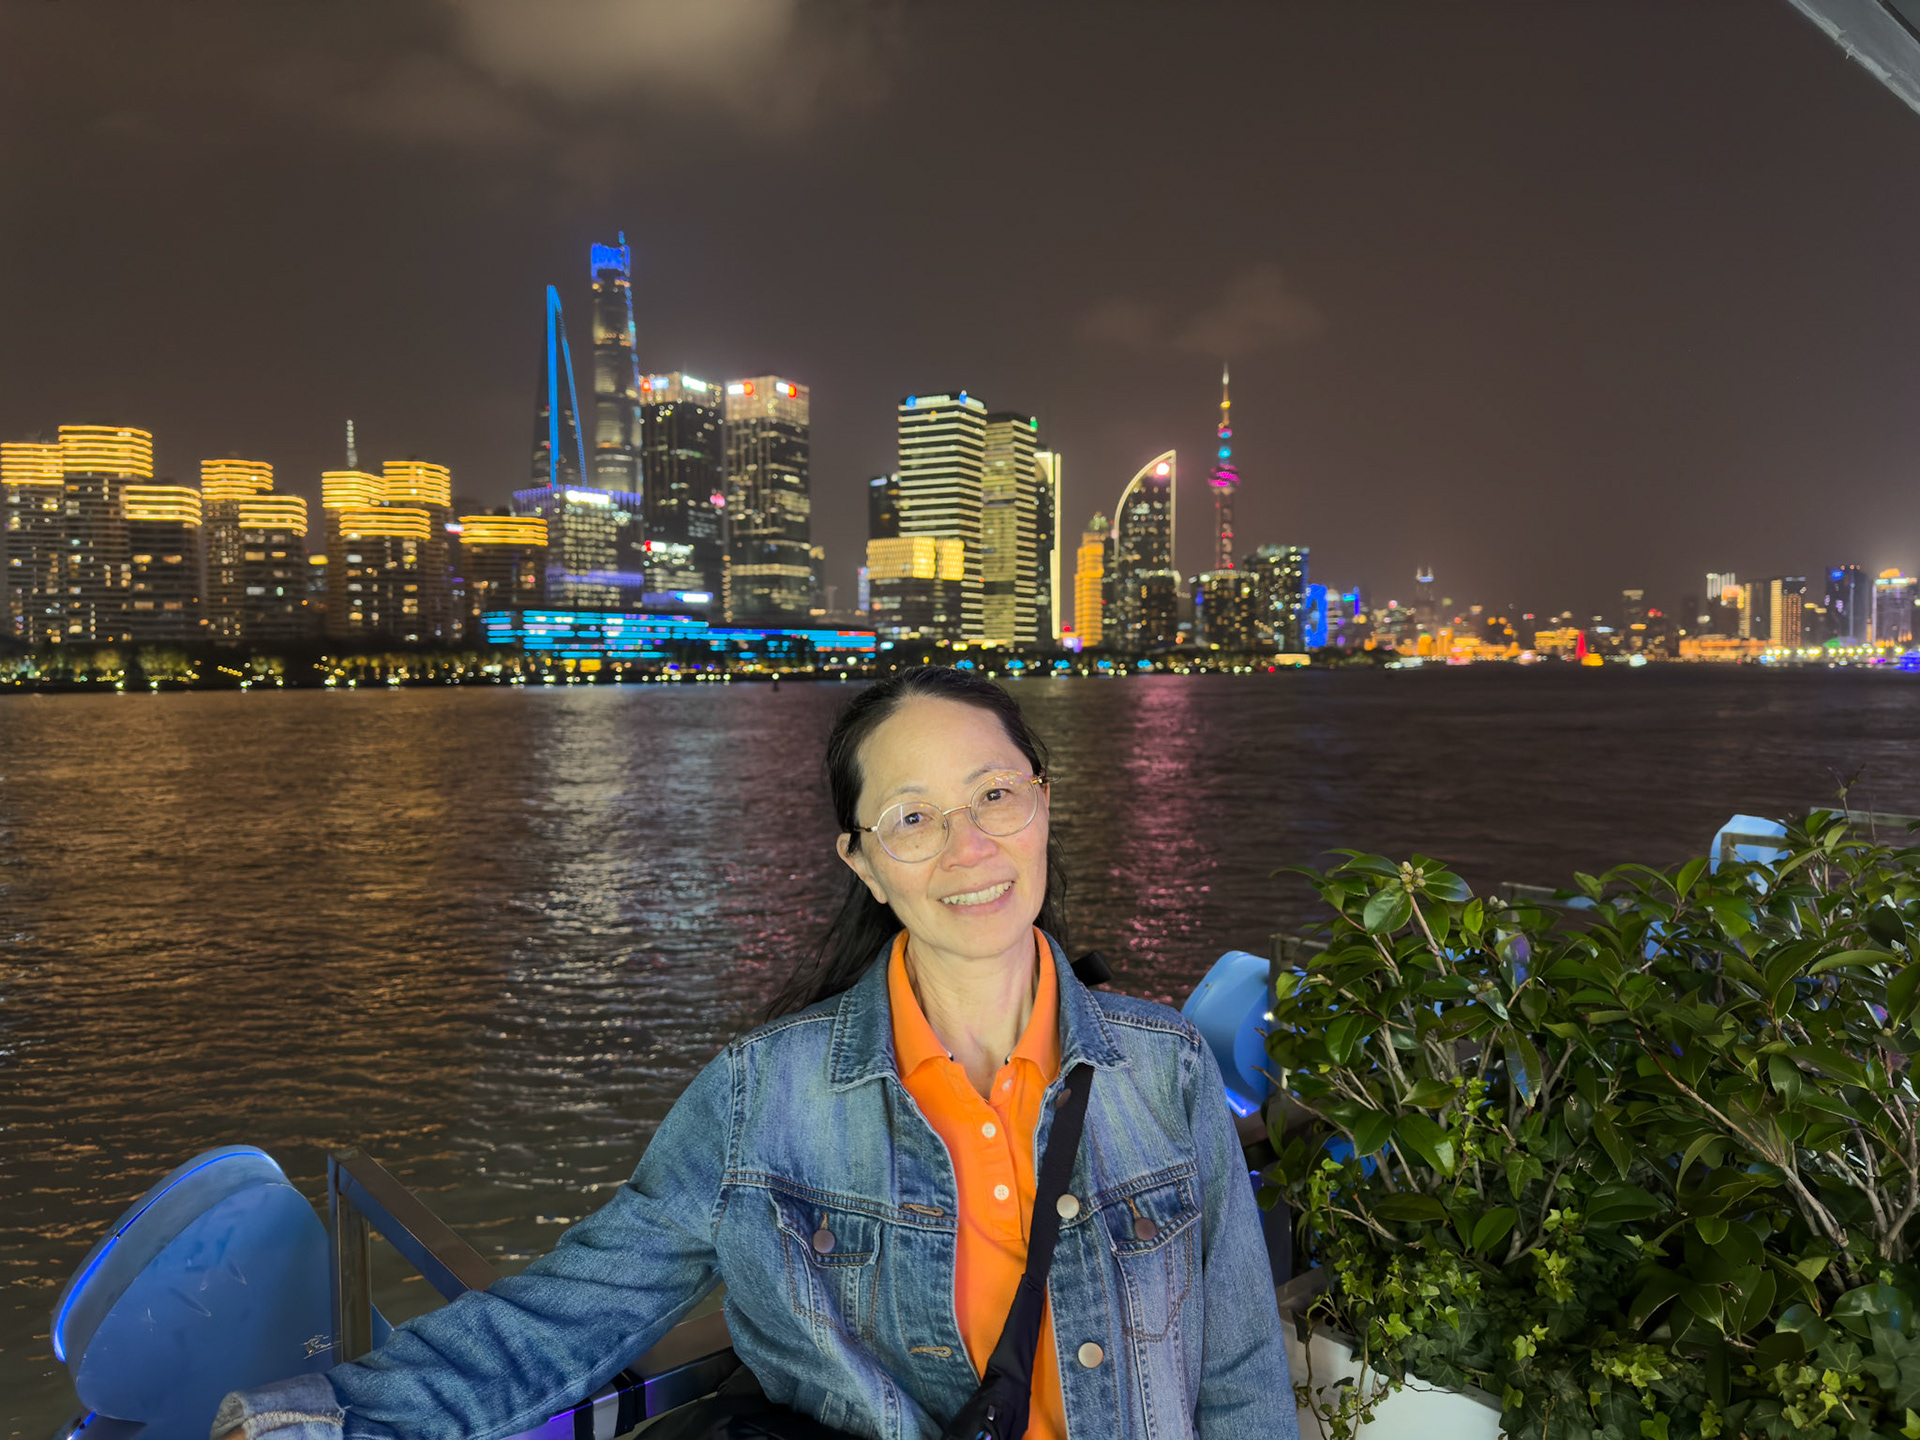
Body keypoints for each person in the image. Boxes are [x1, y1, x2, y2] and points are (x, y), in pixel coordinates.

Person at [214, 665, 1295, 1440]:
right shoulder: (764, 1099)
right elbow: (566, 1317)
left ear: (1043, 802)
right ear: (864, 864)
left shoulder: (1166, 1069)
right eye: (912, 818)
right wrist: (320, 1420)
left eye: (994, 796)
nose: (970, 847)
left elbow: (1241, 1374)